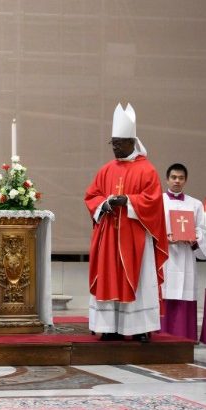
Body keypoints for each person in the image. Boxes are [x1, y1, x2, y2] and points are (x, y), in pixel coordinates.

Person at [84, 103, 168, 343]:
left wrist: (128, 201)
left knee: (139, 281)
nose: (115, 148)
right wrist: (104, 205)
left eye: (119, 143)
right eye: (112, 143)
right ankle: (109, 327)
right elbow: (92, 195)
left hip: (135, 237)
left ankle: (139, 327)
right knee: (108, 277)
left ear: (131, 142)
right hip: (109, 236)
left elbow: (152, 202)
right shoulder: (106, 169)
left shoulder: (147, 170)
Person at [160, 163, 206, 341]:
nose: (177, 181)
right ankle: (160, 336)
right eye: (173, 177)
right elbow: (151, 230)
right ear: (167, 179)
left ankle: (183, 337)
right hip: (165, 256)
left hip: (186, 257)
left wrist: (195, 239)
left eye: (180, 178)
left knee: (183, 292)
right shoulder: (157, 201)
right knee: (163, 292)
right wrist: (166, 238)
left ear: (185, 180)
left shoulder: (195, 204)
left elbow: (201, 230)